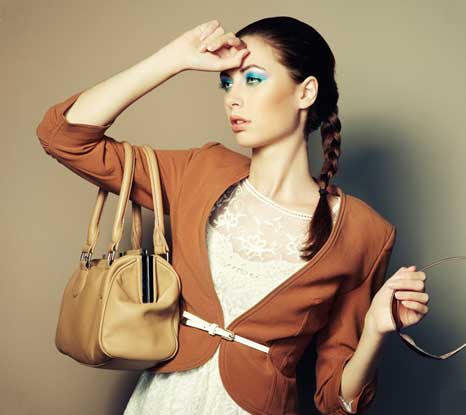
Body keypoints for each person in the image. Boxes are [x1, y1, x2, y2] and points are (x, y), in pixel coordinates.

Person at [36, 17, 429, 415]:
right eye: (226, 83)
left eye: (253, 79)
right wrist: (173, 59)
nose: (232, 99)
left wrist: (375, 329)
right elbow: (63, 137)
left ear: (306, 91)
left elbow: (336, 402)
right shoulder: (201, 171)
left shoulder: (364, 232)